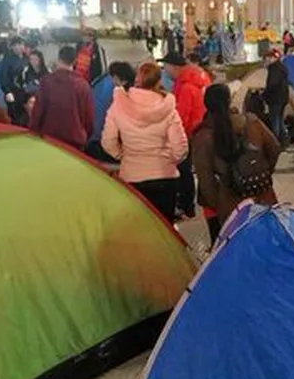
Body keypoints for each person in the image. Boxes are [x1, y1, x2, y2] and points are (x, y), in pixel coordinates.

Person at [192, 83, 281, 246]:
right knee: (268, 246)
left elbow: (206, 182)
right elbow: (274, 148)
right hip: (264, 197)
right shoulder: (251, 121)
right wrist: (262, 173)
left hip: (231, 209)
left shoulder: (203, 136)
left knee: (238, 254)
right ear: (229, 100)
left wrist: (220, 203)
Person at [101, 62, 189, 223]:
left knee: (139, 229)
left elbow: (107, 141)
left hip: (132, 177)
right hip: (165, 177)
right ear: (158, 81)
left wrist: (123, 156)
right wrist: (168, 159)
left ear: (137, 79)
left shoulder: (119, 105)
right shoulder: (168, 108)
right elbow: (180, 148)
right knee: (164, 231)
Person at [163, 51, 211, 218]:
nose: (164, 69)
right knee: (186, 170)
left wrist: (173, 136)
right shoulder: (196, 79)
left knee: (184, 170)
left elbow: (182, 115)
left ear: (175, 67)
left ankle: (186, 205)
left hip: (188, 132)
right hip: (196, 130)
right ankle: (187, 203)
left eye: (166, 65)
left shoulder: (186, 87)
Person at [29, 45, 95, 150]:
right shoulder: (83, 85)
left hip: (50, 138)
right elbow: (89, 118)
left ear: (58, 59)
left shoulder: (46, 81)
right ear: (75, 61)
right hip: (75, 140)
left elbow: (38, 111)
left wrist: (33, 131)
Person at [262, 49, 290, 146]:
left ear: (273, 58)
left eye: (268, 58)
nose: (266, 60)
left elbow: (273, 84)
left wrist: (264, 94)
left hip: (275, 99)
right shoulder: (282, 68)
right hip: (283, 98)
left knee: (275, 121)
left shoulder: (274, 69)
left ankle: (275, 142)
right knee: (280, 119)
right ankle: (285, 140)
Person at [0, 38, 29, 124]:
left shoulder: (27, 59)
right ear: (12, 47)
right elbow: (3, 77)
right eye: (15, 45)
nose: (18, 47)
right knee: (14, 116)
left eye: (20, 44)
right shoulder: (7, 60)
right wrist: (7, 91)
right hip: (13, 92)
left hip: (26, 92)